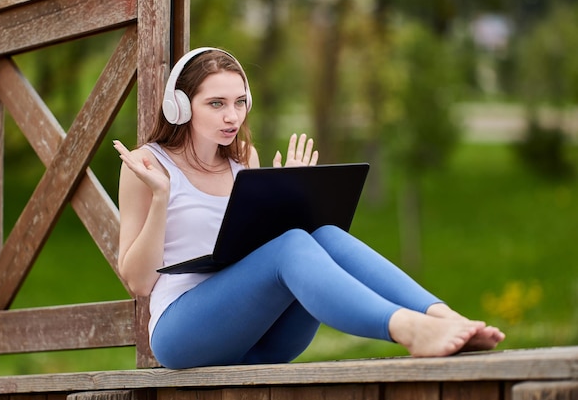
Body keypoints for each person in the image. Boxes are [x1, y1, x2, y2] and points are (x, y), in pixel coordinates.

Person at [113, 47, 505, 370]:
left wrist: (288, 201)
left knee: (324, 234)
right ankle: (408, 329)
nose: (232, 116)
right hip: (183, 335)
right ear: (180, 106)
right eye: (216, 104)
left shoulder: (243, 159)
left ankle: (442, 316)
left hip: (262, 341)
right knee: (292, 245)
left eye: (239, 103)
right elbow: (138, 283)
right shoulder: (146, 165)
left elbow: (253, 255)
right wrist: (162, 198)